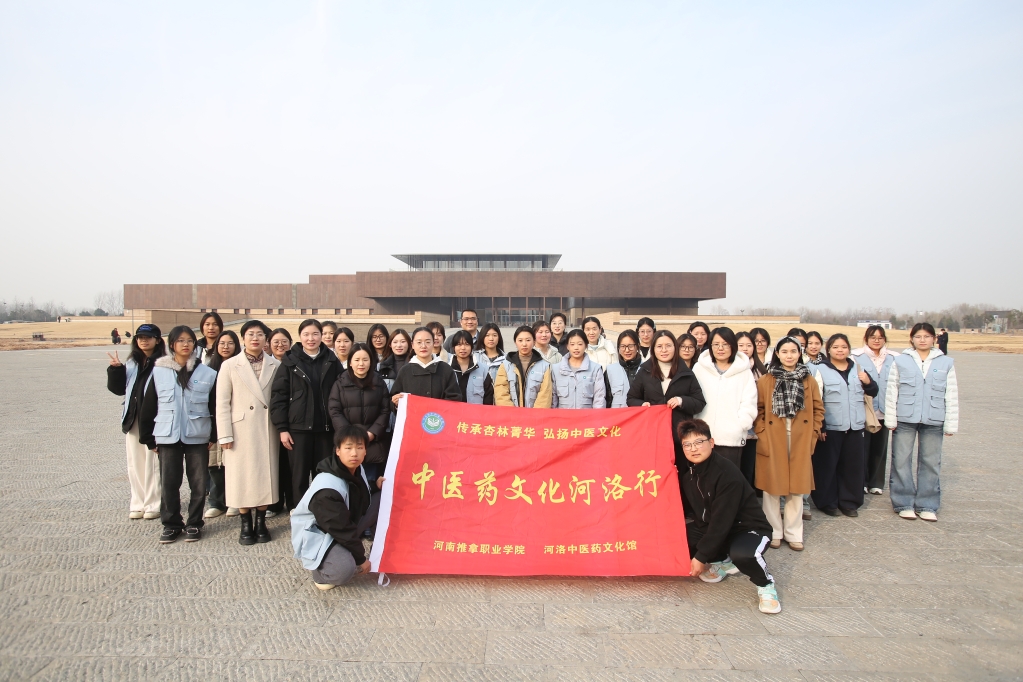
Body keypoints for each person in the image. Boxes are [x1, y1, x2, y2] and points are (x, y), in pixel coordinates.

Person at [677, 419, 781, 614]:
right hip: (717, 528)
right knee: (678, 539)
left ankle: (766, 585)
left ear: (712, 443)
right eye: (687, 444)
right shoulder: (689, 476)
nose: (693, 449)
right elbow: (701, 518)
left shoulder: (726, 473)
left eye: (699, 442)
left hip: (748, 528)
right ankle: (722, 561)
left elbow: (721, 521)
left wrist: (701, 556)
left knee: (743, 554)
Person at [138, 325, 217, 544]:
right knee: (169, 483)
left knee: (199, 484)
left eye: (190, 340)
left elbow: (214, 406)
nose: (186, 344)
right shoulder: (159, 371)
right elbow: (149, 405)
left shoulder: (207, 373)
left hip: (198, 435)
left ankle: (194, 523)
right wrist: (148, 437)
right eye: (180, 340)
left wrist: (214, 435)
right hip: (167, 435)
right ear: (172, 344)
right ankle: (171, 524)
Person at [290, 425, 385, 590]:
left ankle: (378, 549)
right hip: (320, 533)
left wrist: (375, 486)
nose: (354, 453)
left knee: (382, 497)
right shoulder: (326, 487)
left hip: (342, 523)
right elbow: (340, 528)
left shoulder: (355, 468)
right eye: (348, 448)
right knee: (344, 570)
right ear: (338, 450)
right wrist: (361, 559)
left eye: (359, 447)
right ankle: (321, 572)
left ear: (365, 451)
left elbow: (356, 491)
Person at [754, 337, 824, 551]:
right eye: (784, 351)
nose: (789, 355)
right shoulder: (766, 380)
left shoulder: (808, 380)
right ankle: (773, 531)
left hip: (800, 438)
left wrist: (813, 433)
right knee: (771, 488)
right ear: (777, 354)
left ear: (799, 353)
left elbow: (818, 409)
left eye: (793, 351)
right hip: (773, 437)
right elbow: (759, 410)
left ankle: (794, 532)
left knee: (796, 489)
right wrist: (762, 432)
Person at [216, 321, 282, 544]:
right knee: (241, 477)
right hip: (240, 429)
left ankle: (261, 522)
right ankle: (245, 523)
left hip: (266, 428)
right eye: (251, 334)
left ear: (266, 339)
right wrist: (224, 434)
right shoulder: (230, 365)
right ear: (243, 338)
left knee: (265, 475)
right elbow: (222, 402)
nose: (255, 338)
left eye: (260, 334)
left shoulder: (275, 365)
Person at [884, 323, 958, 522]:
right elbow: (892, 391)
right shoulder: (900, 361)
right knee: (901, 461)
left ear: (934, 338)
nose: (922, 340)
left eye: (926, 336)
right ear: (912, 339)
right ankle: (903, 502)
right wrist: (891, 418)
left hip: (934, 419)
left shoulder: (946, 363)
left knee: (931, 462)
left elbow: (951, 394)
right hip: (905, 418)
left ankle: (927, 504)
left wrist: (951, 423)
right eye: (918, 336)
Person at [271, 319, 342, 511]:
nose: (311, 339)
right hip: (298, 429)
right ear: (300, 337)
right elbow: (279, 398)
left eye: (315, 334)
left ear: (322, 336)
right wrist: (282, 428)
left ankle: (322, 509)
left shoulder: (332, 360)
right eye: (306, 335)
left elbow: (341, 393)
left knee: (324, 473)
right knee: (299, 474)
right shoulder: (289, 361)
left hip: (326, 429)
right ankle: (299, 509)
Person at [811, 333, 876, 518]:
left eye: (844, 347)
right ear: (828, 349)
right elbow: (817, 399)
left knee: (852, 467)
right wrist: (821, 426)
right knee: (827, 466)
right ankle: (827, 501)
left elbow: (873, 391)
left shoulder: (858, 368)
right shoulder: (820, 370)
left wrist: (868, 382)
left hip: (854, 426)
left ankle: (849, 502)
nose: (840, 350)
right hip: (831, 426)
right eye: (836, 347)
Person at [106, 323, 165, 520]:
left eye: (148, 337)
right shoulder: (132, 363)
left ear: (157, 340)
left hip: (157, 419)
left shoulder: (164, 362)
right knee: (135, 462)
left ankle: (154, 503)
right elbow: (119, 390)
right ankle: (138, 502)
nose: (143, 340)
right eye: (139, 337)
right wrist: (115, 370)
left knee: (153, 462)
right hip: (134, 418)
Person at [627, 330, 707, 461]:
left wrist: (681, 400)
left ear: (675, 347)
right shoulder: (644, 371)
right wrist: (642, 404)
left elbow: (699, 403)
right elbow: (631, 398)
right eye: (659, 346)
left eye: (668, 346)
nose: (664, 350)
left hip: (679, 436)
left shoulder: (686, 373)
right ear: (653, 349)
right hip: (652, 434)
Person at [328, 343, 392, 491]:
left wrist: (371, 434)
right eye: (357, 360)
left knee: (371, 484)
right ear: (350, 362)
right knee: (348, 485)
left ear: (371, 361)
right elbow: (334, 410)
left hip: (372, 443)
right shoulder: (340, 384)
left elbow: (385, 410)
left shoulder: (379, 383)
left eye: (365, 359)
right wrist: (350, 436)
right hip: (348, 442)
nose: (361, 364)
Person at [692, 327, 758, 471]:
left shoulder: (743, 372)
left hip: (731, 438)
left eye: (725, 344)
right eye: (716, 344)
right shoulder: (699, 368)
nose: (720, 348)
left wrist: (742, 424)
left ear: (732, 346)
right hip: (702, 436)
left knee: (728, 482)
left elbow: (749, 401)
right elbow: (693, 397)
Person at [852, 325, 899, 495]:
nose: (876, 340)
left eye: (880, 337)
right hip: (865, 409)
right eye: (873, 337)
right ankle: (862, 481)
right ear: (866, 339)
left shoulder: (894, 358)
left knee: (880, 447)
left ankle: (876, 482)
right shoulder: (856, 357)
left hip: (885, 410)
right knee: (862, 447)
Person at [203, 330, 240, 519]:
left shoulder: (241, 366)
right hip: (213, 421)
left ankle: (234, 500)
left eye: (230, 343)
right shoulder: (208, 369)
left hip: (237, 421)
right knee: (215, 464)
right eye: (222, 343)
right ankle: (217, 502)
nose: (226, 347)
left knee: (233, 463)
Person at [390, 327, 462, 405]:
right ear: (412, 345)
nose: (423, 346)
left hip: (438, 416)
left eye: (428, 342)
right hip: (414, 417)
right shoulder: (405, 371)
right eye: (419, 342)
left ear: (433, 343)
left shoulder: (445, 369)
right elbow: (394, 398)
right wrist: (396, 403)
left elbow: (455, 398)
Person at [265, 327, 294, 516]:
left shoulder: (294, 363)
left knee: (289, 464)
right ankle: (274, 502)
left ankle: (292, 502)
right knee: (272, 464)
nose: (280, 345)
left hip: (291, 421)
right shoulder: (266, 364)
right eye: (276, 341)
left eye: (284, 341)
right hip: (268, 421)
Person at [494, 325, 556, 408]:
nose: (524, 344)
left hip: (535, 417)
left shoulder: (544, 366)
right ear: (515, 342)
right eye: (520, 340)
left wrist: (534, 416)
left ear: (534, 341)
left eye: (528, 340)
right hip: (511, 416)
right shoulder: (505, 365)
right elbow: (501, 392)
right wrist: (512, 414)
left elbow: (545, 395)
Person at [735, 332, 768, 488]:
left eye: (749, 345)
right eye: (741, 345)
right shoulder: (731, 369)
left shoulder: (761, 371)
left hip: (756, 427)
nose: (745, 349)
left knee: (750, 466)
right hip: (734, 425)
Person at [552, 329, 604, 409]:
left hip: (586, 419)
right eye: (572, 344)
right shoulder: (556, 369)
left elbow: (599, 399)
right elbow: (553, 399)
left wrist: (596, 419)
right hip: (563, 419)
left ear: (586, 345)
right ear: (567, 346)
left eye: (580, 344)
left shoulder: (595, 369)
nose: (576, 348)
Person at [449, 330, 494, 405]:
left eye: (467, 344)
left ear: (472, 346)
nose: (463, 348)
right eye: (459, 344)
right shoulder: (446, 369)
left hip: (476, 415)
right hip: (452, 415)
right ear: (454, 347)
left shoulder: (483, 369)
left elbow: (488, 396)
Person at [605, 330, 642, 407]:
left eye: (630, 346)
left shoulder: (647, 369)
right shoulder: (610, 371)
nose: (627, 350)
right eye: (623, 346)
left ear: (638, 346)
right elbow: (607, 400)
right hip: (617, 417)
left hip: (640, 416)